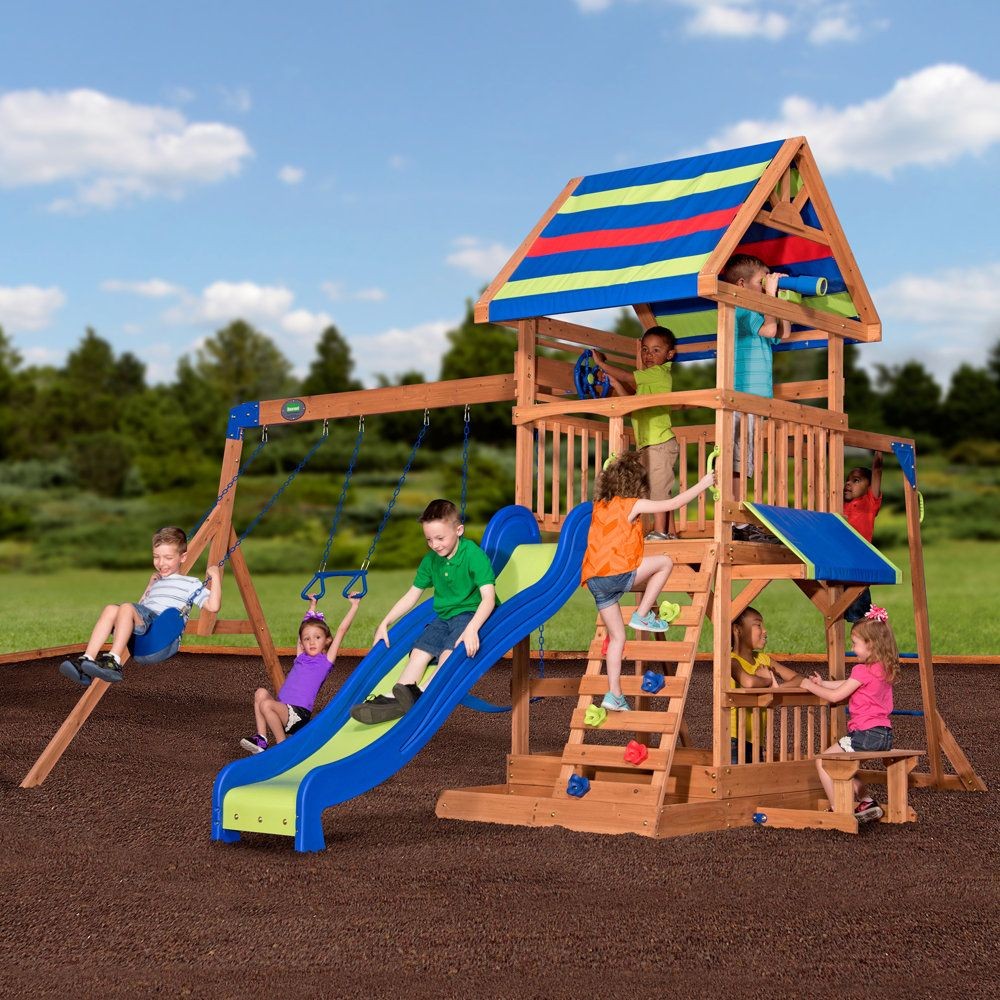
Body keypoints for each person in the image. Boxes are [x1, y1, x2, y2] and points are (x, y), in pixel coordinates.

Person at [581, 452, 715, 712]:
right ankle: (642, 615)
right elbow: (672, 503)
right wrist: (704, 483)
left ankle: (614, 694)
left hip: (595, 580)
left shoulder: (598, 505)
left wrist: (610, 466)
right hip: (616, 573)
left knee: (617, 638)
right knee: (664, 562)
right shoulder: (633, 504)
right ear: (637, 486)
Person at [351, 499, 496, 725]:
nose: (435, 545)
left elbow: (488, 598)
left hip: (470, 614)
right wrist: (385, 622)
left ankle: (425, 691)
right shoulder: (431, 561)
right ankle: (398, 694)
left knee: (450, 651)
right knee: (420, 650)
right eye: (429, 539)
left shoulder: (472, 554)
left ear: (459, 530)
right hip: (444, 617)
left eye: (440, 538)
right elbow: (412, 595)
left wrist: (473, 629)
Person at [58, 526, 222, 686]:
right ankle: (86, 662)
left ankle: (114, 661)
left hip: (161, 635)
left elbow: (213, 606)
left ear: (182, 557)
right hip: (143, 634)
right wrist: (150, 586)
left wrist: (215, 578)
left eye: (168, 558)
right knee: (111, 609)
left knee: (127, 607)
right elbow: (140, 606)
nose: (161, 563)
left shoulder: (190, 583)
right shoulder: (158, 582)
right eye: (156, 557)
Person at [800, 606, 900, 822]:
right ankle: (866, 800)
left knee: (825, 761)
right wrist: (823, 682)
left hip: (865, 733)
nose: (853, 648)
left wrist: (809, 685)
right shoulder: (883, 668)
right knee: (844, 766)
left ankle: (839, 810)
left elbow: (836, 697)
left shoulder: (861, 670)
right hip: (884, 735)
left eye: (855, 644)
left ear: (870, 645)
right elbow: (849, 685)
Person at [720, 253, 791, 543]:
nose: (765, 287)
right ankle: (736, 523)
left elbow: (782, 332)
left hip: (754, 401)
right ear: (741, 285)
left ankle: (740, 520)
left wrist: (781, 301)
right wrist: (770, 299)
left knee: (745, 461)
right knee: (738, 460)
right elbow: (770, 328)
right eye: (761, 282)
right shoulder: (740, 309)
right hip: (740, 397)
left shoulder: (759, 310)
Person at [241, 593, 361, 754]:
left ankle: (282, 746)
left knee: (266, 704)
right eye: (307, 639)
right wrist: (312, 606)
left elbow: (341, 630)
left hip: (298, 715)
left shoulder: (324, 662)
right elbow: (303, 629)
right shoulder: (300, 657)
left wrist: (354, 606)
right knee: (260, 693)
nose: (311, 642)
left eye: (317, 637)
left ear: (327, 640)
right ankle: (261, 739)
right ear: (302, 642)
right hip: (283, 710)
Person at [594, 328, 681, 541]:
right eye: (645, 350)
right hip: (649, 445)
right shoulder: (648, 382)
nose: (649, 355)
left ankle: (660, 532)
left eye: (656, 350)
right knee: (655, 490)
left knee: (660, 490)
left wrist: (602, 365)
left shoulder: (659, 374)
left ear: (669, 355)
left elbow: (626, 375)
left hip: (660, 443)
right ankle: (670, 533)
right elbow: (632, 406)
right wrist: (615, 384)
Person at [729, 606, 802, 763]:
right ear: (737, 630)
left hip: (756, 740)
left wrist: (777, 688)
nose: (765, 631)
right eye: (758, 625)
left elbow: (798, 679)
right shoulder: (731, 660)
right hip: (733, 739)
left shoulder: (763, 659)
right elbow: (748, 682)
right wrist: (769, 680)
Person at [843, 452, 884, 622]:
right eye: (847, 479)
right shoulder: (840, 504)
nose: (848, 483)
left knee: (860, 615)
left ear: (869, 488)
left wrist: (877, 451)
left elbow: (877, 471)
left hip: (858, 566)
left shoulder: (869, 502)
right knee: (838, 610)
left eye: (856, 480)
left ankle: (869, 642)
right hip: (840, 563)